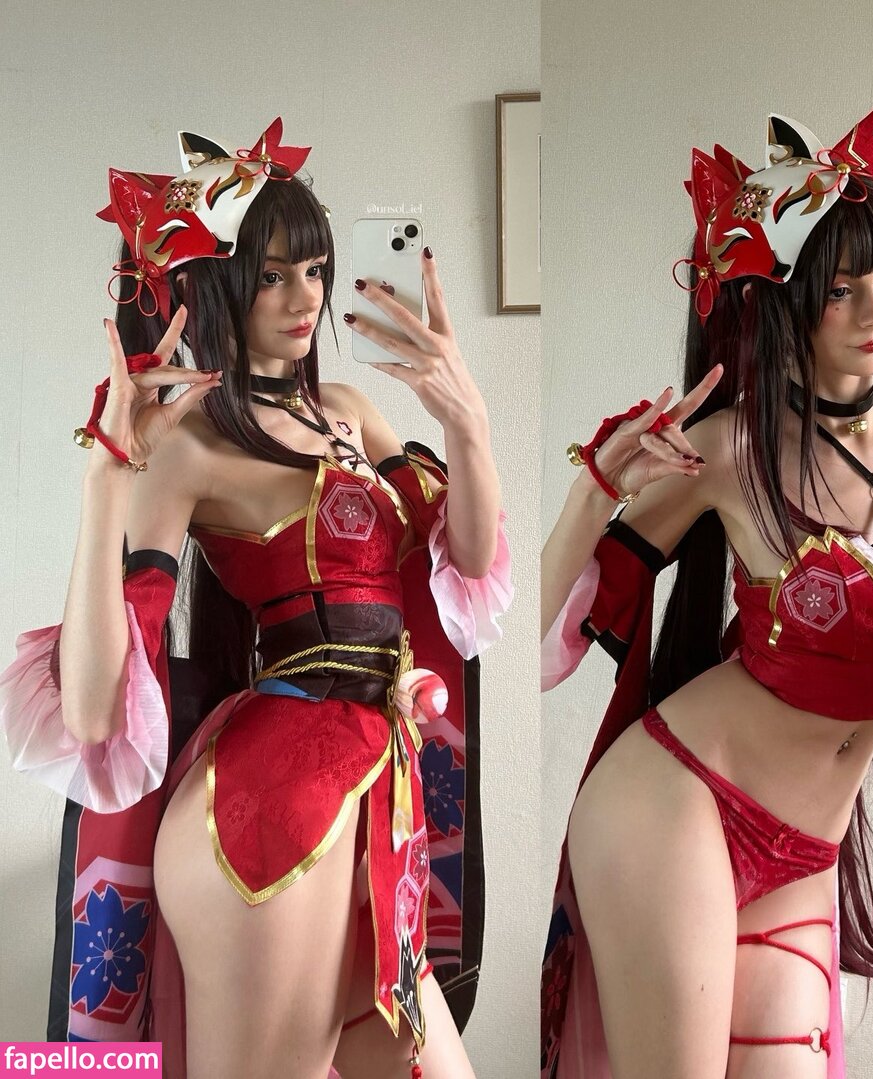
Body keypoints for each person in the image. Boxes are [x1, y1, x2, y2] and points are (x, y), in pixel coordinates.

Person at [540, 108, 873, 1079]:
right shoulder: (727, 448)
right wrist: (592, 493)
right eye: (841, 288)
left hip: (803, 855)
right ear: (784, 298)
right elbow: (534, 642)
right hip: (673, 804)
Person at [0, 117, 511, 1079]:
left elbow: (469, 560)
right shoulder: (189, 446)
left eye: (313, 269)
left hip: (377, 785)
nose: (303, 296)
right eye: (271, 274)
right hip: (274, 794)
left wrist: (468, 421)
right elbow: (95, 711)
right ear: (215, 286)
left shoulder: (351, 410)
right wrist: (106, 481)